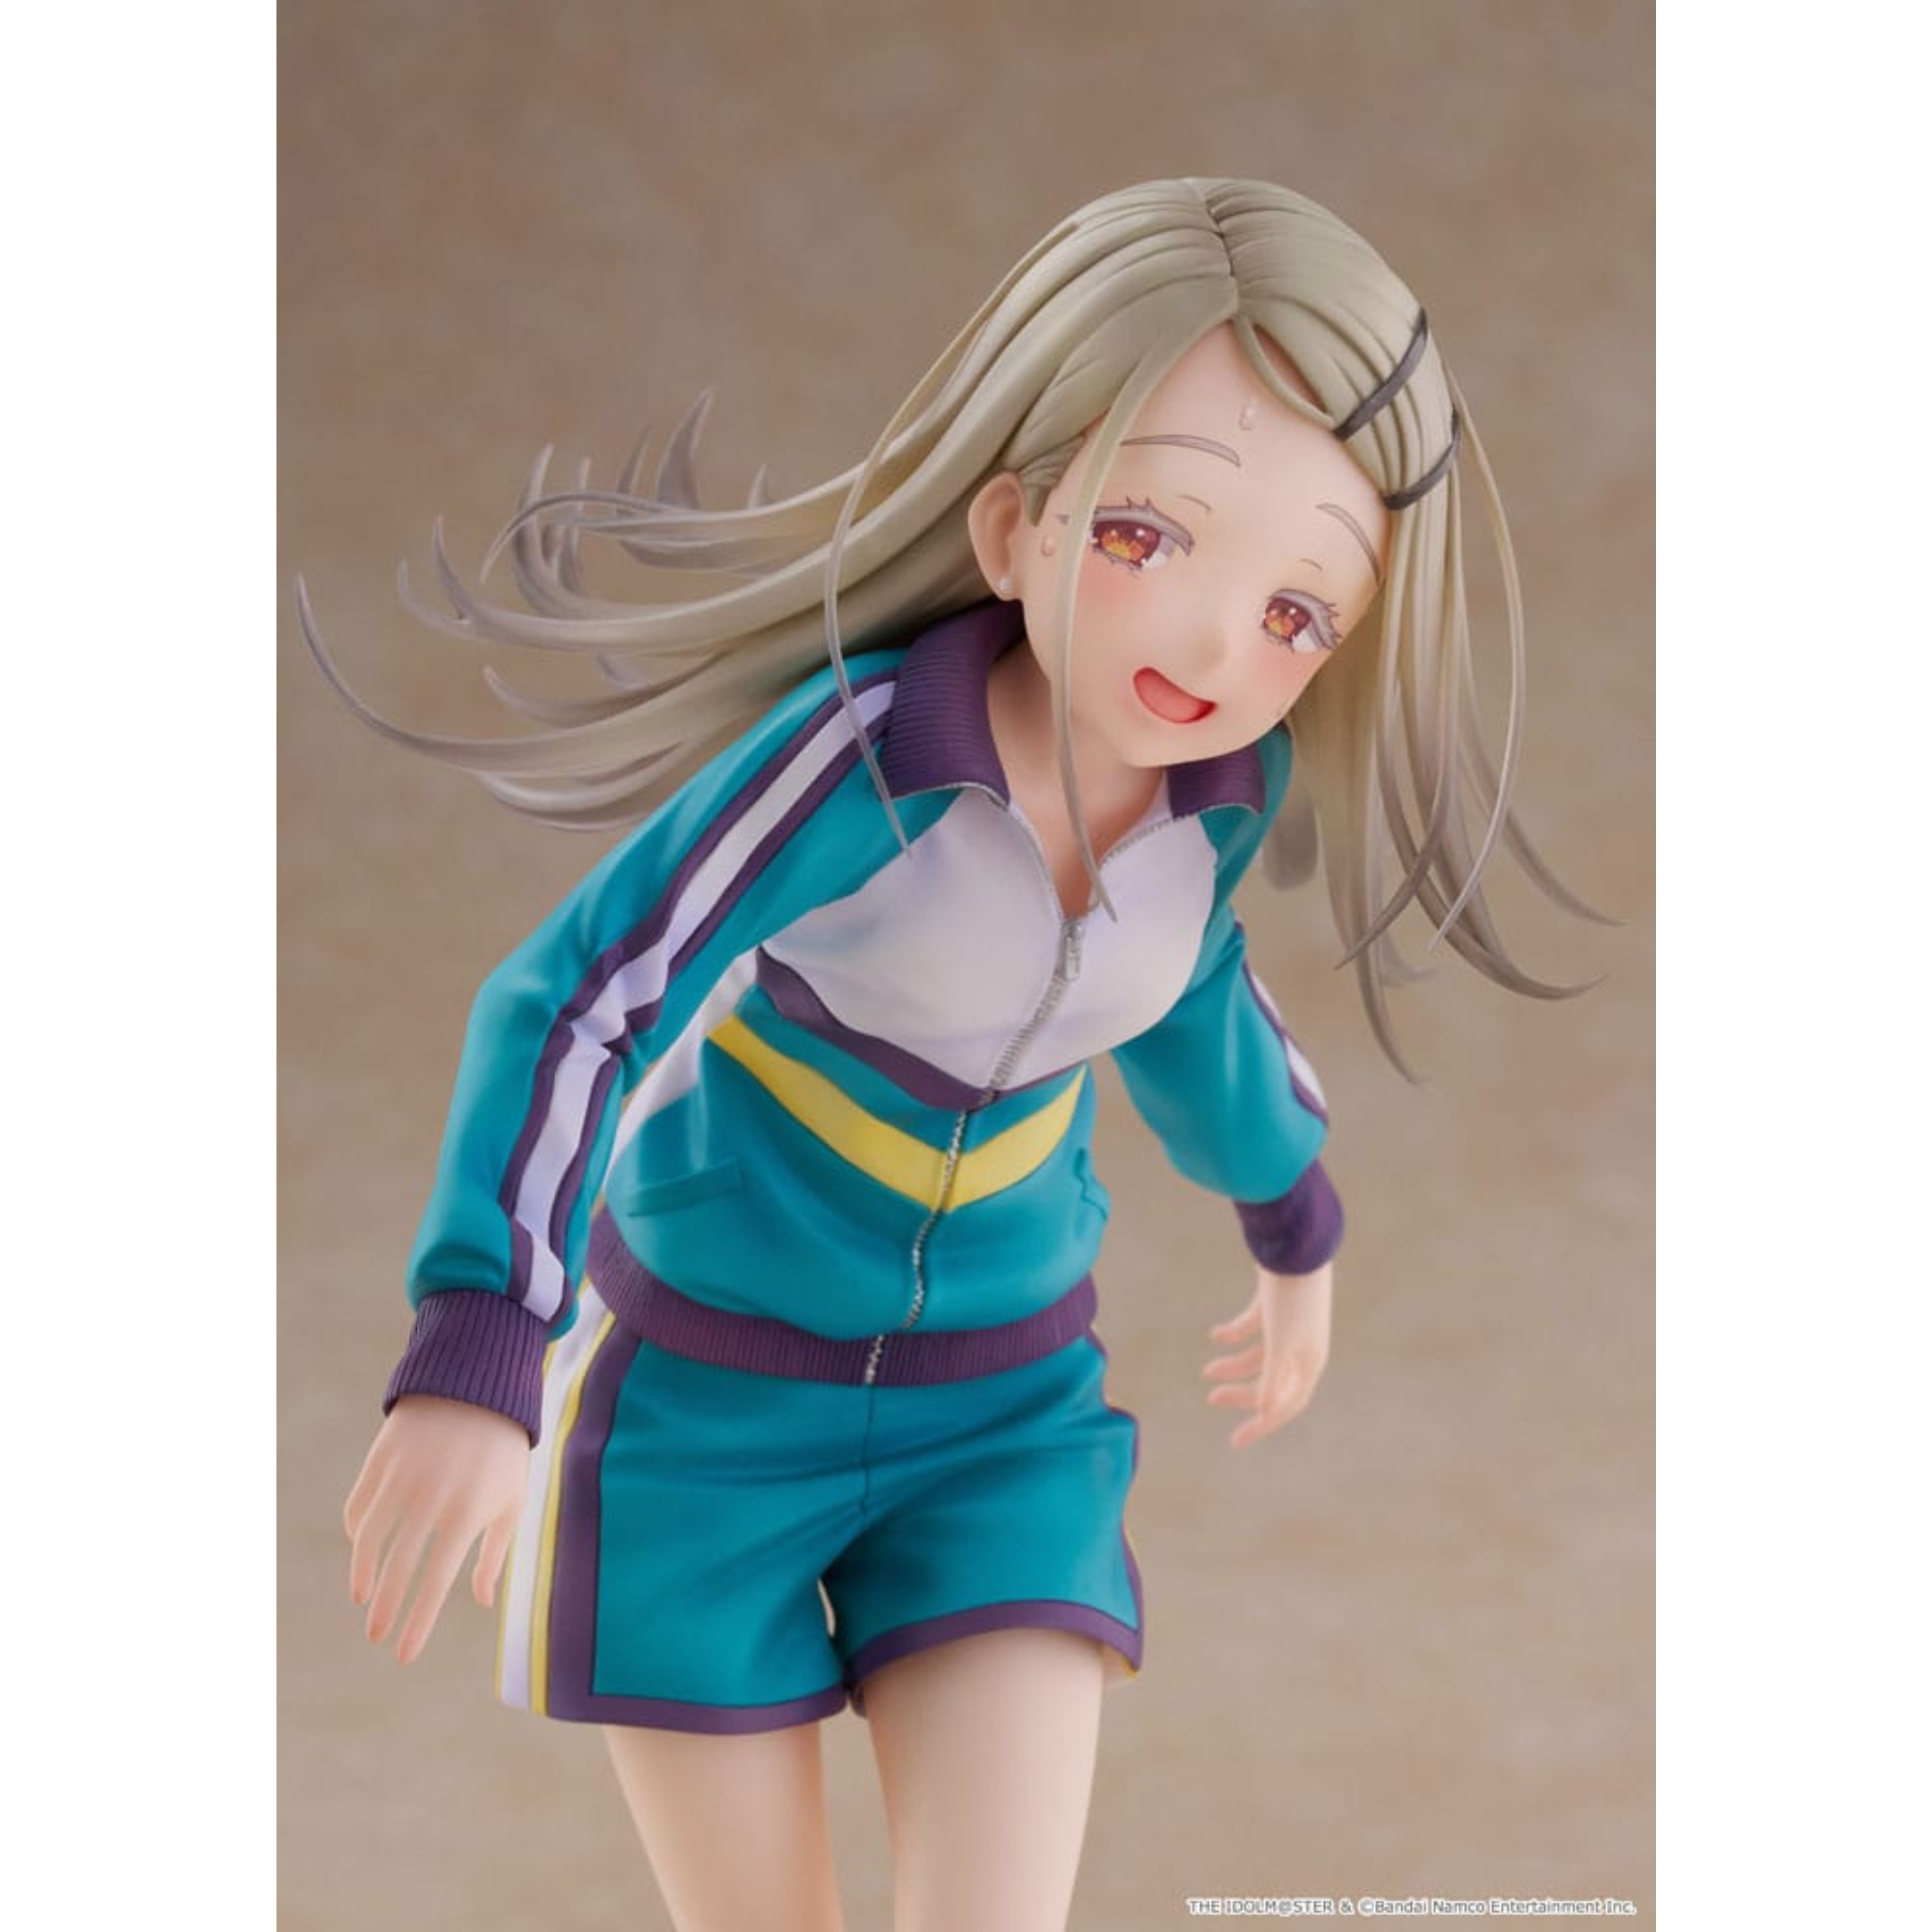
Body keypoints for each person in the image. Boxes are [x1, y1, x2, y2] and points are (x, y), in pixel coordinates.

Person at [310, 176, 1580, 1932]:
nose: (1218, 646)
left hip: (1004, 1412)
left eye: (1301, 613)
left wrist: (1293, 1218)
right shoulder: (853, 763)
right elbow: (586, 996)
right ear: (1012, 527)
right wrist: (483, 1339)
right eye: (1149, 536)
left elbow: (1199, 1008)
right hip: (701, 1409)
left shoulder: (1213, 806)